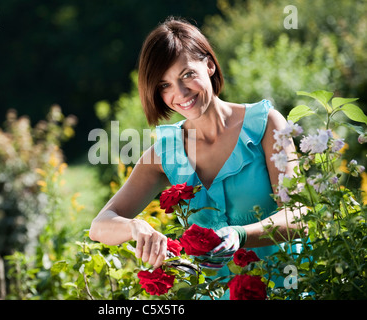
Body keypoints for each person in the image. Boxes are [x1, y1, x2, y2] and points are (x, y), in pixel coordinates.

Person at [89, 17, 305, 292]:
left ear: (210, 64)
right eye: (164, 85)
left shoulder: (266, 124)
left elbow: (299, 216)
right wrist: (135, 228)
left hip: (285, 288)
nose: (179, 93)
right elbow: (99, 226)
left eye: (186, 74)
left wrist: (240, 235)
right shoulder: (165, 153)